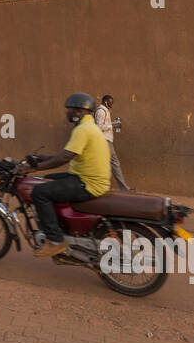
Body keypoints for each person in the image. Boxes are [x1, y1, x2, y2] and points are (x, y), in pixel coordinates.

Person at [22, 92, 111, 258]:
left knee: (39, 192)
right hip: (85, 177)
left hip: (88, 183)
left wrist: (33, 169)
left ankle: (56, 241)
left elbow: (64, 157)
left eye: (69, 109)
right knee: (45, 182)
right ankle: (61, 226)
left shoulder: (83, 130)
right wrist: (41, 158)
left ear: (78, 111)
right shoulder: (88, 127)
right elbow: (67, 153)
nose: (66, 113)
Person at [94, 93, 130, 191]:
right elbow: (99, 127)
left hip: (106, 140)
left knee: (104, 163)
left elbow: (106, 124)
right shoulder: (101, 111)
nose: (111, 105)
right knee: (115, 163)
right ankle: (124, 188)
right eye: (110, 103)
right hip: (104, 141)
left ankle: (100, 186)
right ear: (105, 102)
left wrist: (114, 123)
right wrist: (113, 126)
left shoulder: (106, 111)